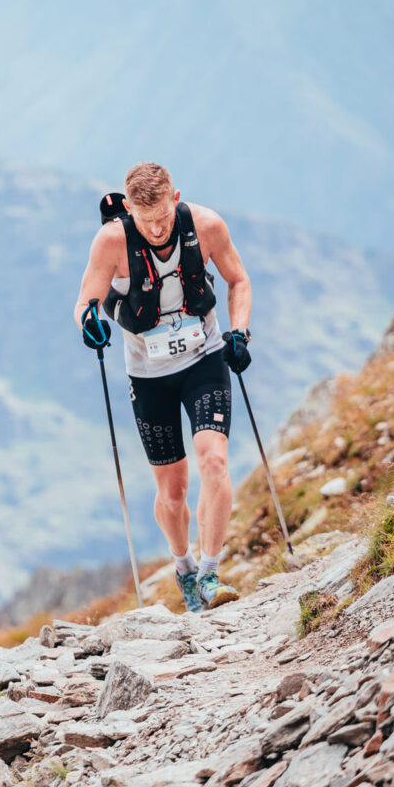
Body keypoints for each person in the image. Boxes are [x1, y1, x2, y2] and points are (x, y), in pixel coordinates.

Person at [74, 162, 253, 613]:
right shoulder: (111, 242)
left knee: (214, 459)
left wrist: (240, 333)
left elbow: (238, 281)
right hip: (148, 374)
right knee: (172, 492)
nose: (156, 229)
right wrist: (89, 324)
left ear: (176, 199)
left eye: (164, 218)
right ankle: (184, 566)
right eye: (144, 219)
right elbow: (84, 303)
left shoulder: (207, 225)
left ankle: (211, 573)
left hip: (204, 358)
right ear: (129, 209)